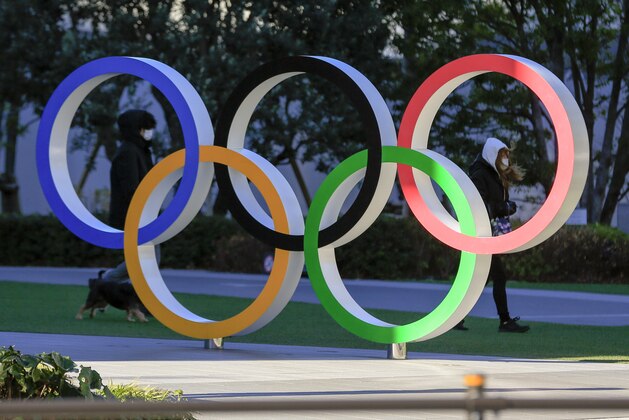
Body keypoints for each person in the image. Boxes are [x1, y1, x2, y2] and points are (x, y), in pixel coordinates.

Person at [454, 137, 530, 333]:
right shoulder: (481, 174)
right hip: (482, 234)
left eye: (506, 155)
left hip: (490, 234)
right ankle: (504, 322)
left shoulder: (496, 174)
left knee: (482, 278)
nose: (506, 158)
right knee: (498, 276)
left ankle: (456, 317)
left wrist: (506, 206)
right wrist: (503, 208)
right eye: (503, 154)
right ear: (493, 155)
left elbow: (495, 203)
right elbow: (480, 205)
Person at [101, 109, 159, 282]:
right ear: (137, 130)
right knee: (143, 262)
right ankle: (105, 282)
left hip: (143, 215)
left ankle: (139, 302)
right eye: (145, 128)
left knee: (147, 262)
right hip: (134, 216)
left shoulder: (139, 150)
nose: (148, 132)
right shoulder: (128, 152)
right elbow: (131, 189)